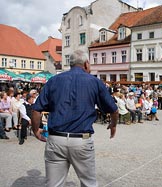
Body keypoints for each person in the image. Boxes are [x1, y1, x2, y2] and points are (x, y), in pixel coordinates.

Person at [31, 49, 119, 187]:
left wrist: (36, 130)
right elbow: (114, 110)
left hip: (56, 139)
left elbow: (36, 110)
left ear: (70, 64)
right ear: (86, 64)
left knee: (53, 185)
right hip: (81, 141)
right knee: (88, 183)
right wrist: (113, 125)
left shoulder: (53, 80)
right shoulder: (94, 82)